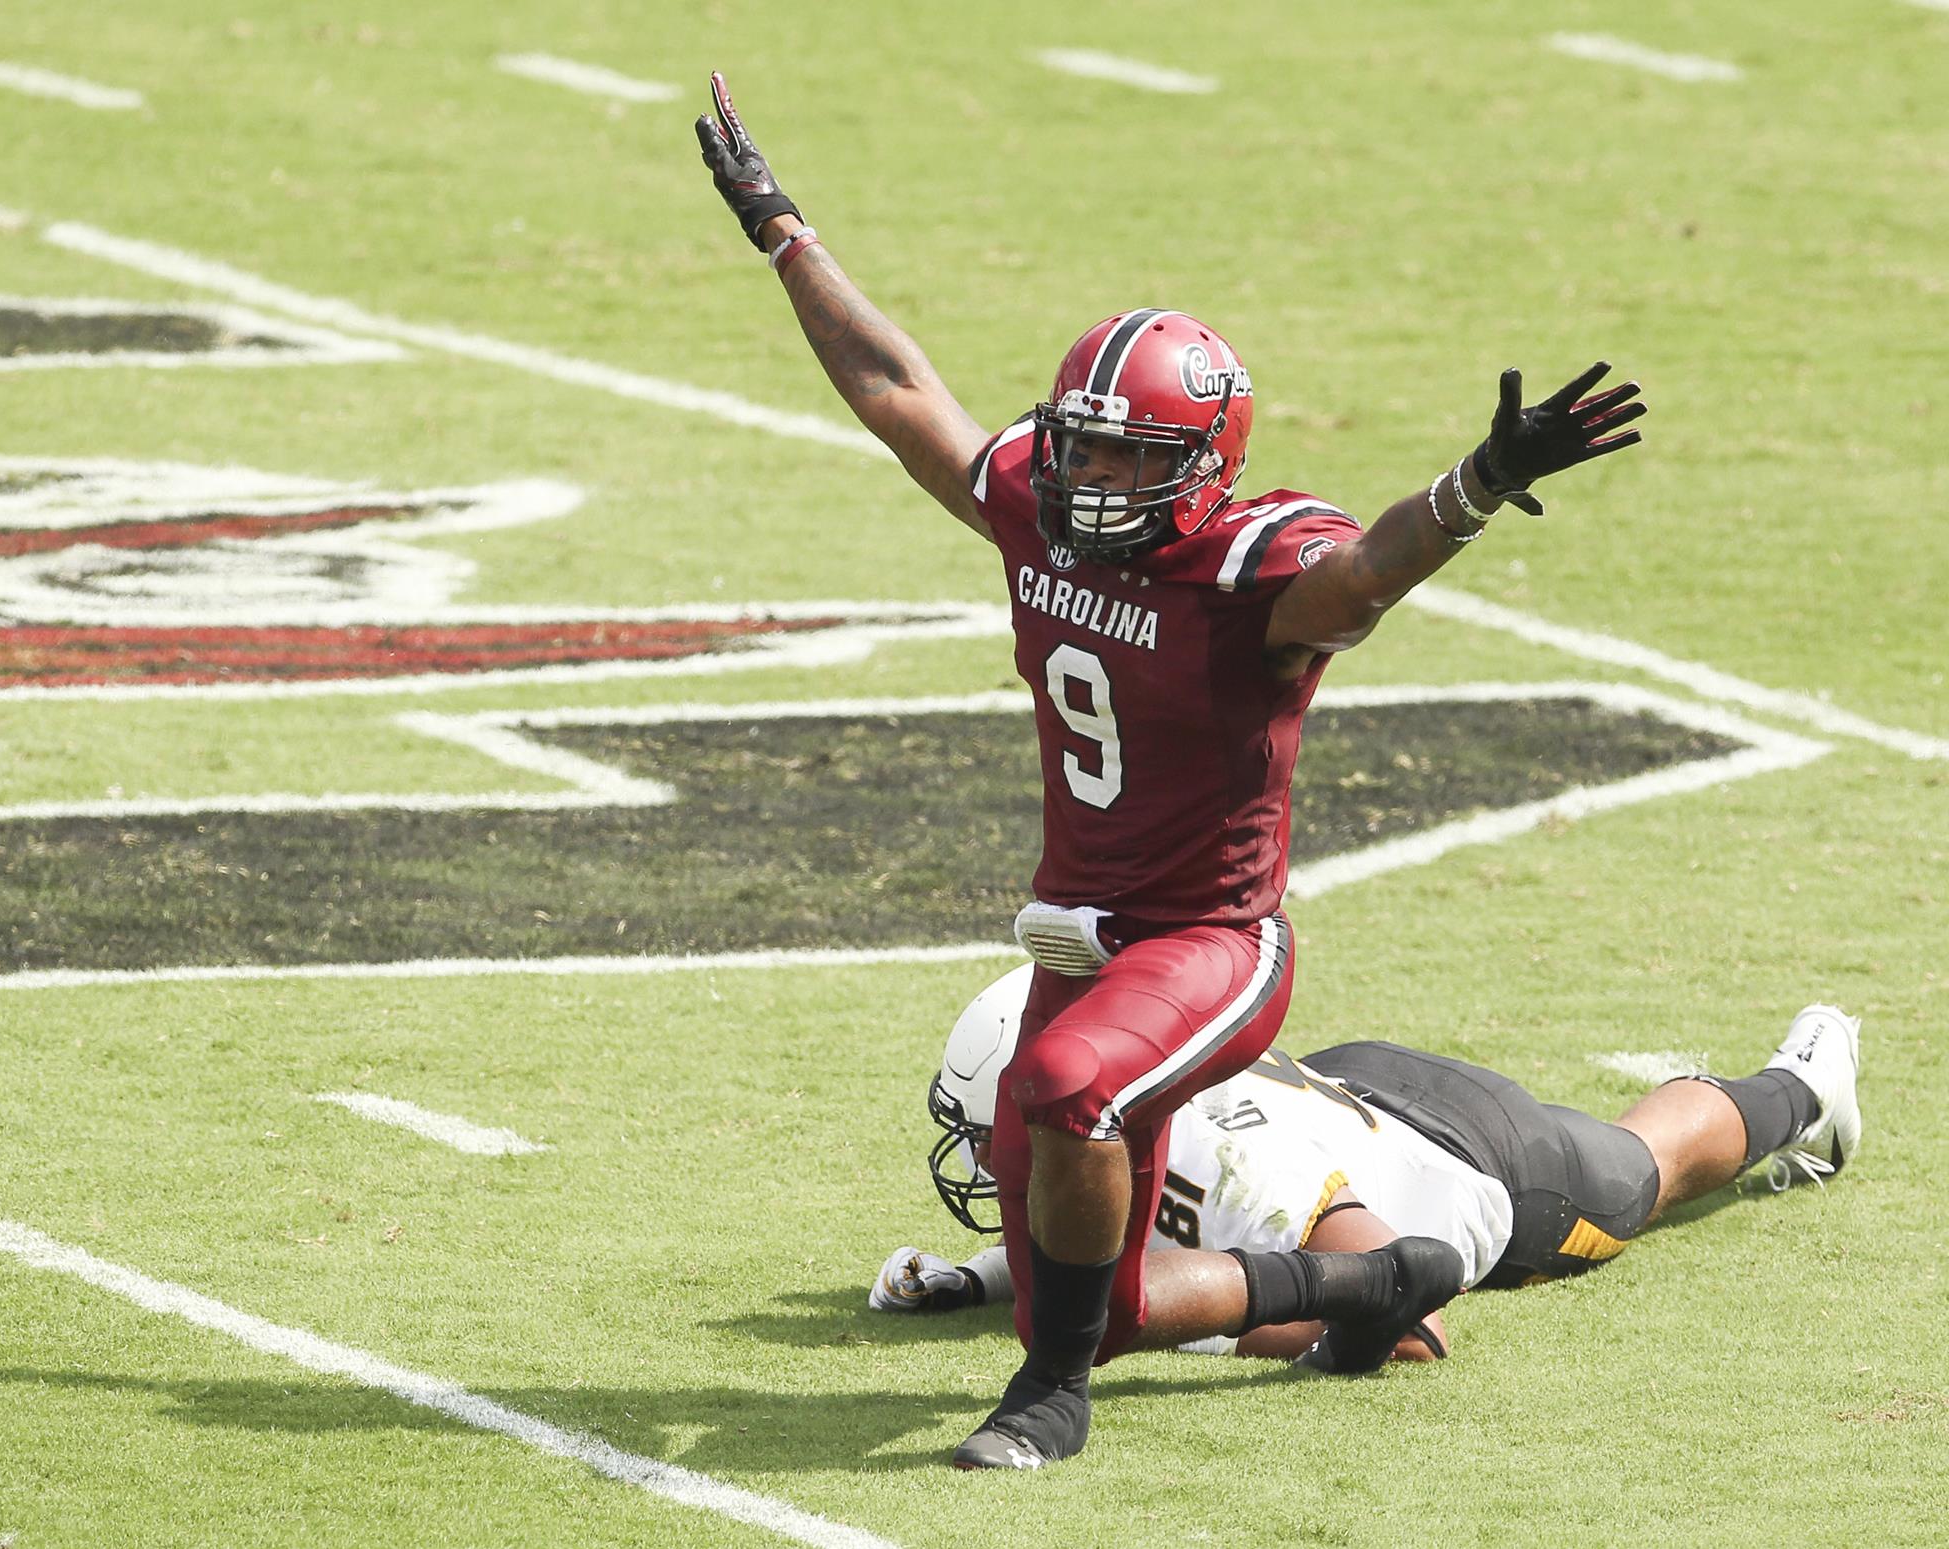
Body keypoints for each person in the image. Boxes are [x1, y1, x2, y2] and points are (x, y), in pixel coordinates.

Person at [696, 74, 1650, 1469]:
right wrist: (786, 233)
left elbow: (1365, 580)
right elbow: (899, 388)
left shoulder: (1246, 568)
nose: (1086, 478)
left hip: (1210, 939)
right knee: (1095, 1284)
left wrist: (1480, 481)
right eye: (1079, 442)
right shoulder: (1042, 511)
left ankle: (1047, 1407)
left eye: (1129, 455)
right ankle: (1369, 1283)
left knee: (1072, 1093)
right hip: (1073, 932)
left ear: (1205, 466)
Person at [874, 967, 1864, 1364]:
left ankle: (1803, 1091)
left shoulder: (1237, 1169)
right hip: (1348, 1083)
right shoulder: (1141, 1123)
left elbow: (1407, 1313)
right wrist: (976, 1278)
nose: (984, 1163)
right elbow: (1100, 1229)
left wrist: (1207, 1328)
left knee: (1642, 1164)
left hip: (1486, 1165)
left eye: (997, 1137)